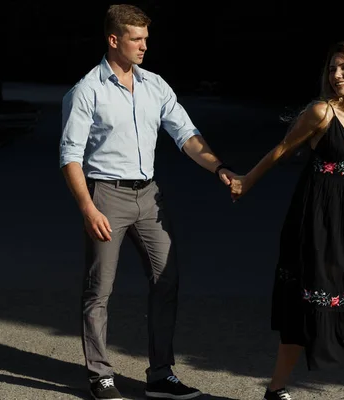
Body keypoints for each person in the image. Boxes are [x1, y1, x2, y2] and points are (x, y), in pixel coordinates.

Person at [59, 4, 234, 400]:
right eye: (136, 39)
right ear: (114, 39)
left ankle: (160, 375)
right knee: (99, 289)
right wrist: (88, 208)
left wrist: (220, 168)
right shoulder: (88, 90)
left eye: (146, 39)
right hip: (106, 195)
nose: (144, 46)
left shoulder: (155, 85)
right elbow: (70, 156)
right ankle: (101, 376)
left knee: (167, 278)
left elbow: (186, 135)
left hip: (149, 197)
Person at [229, 40, 344, 400]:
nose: (336, 75)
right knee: (335, 303)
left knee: (305, 305)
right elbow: (281, 150)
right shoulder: (321, 113)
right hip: (313, 222)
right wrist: (246, 181)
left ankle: (275, 390)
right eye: (332, 68)